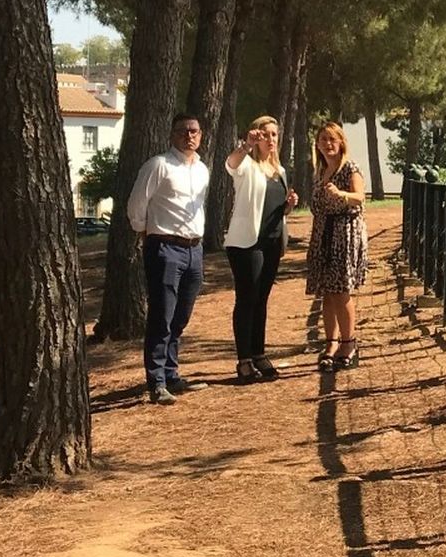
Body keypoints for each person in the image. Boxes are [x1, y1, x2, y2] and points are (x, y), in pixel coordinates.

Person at [127, 113, 210, 405]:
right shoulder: (158, 165)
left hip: (194, 250)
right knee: (162, 315)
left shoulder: (202, 169)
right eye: (183, 131)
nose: (189, 136)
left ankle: (172, 374)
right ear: (172, 135)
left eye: (194, 131)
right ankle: (157, 381)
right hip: (165, 248)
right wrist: (145, 232)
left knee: (181, 315)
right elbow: (136, 204)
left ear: (201, 135)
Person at [223, 115, 298, 383]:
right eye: (265, 134)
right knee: (247, 298)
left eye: (274, 134)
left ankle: (258, 354)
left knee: (261, 299)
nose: (270, 139)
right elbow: (231, 164)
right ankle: (244, 360)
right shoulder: (247, 165)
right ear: (256, 137)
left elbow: (276, 210)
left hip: (271, 243)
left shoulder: (280, 171)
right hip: (247, 243)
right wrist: (246, 145)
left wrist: (288, 206)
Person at [306, 120, 368, 371]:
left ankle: (348, 343)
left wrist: (341, 194)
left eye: (332, 139)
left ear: (341, 142)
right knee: (327, 291)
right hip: (323, 235)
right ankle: (330, 343)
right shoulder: (320, 171)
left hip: (344, 235)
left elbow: (359, 197)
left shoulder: (350, 168)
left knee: (341, 291)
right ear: (317, 145)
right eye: (323, 139)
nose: (328, 144)